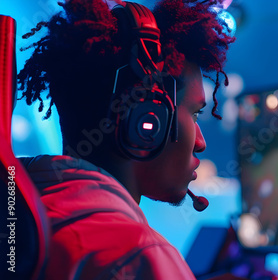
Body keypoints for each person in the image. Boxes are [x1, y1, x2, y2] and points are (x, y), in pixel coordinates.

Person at [16, 0, 235, 279]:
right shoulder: (139, 256)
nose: (201, 142)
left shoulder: (21, 215)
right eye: (194, 114)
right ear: (148, 120)